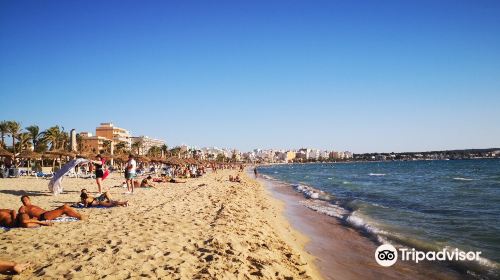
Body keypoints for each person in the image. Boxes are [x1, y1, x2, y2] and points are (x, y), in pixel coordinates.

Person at [18, 195, 84, 221]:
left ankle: (78, 216)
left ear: (29, 200)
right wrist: (33, 218)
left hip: (47, 213)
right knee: (65, 207)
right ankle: (79, 217)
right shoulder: (23, 207)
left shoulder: (32, 205)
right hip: (44, 216)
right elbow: (22, 215)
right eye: (23, 200)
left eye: (26, 199)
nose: (24, 201)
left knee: (64, 206)